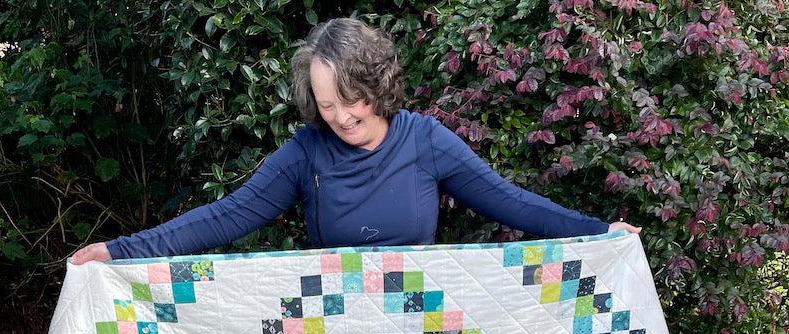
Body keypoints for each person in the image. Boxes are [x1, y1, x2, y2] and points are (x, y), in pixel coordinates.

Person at [69, 17, 640, 265]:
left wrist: (599, 233)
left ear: (378, 84)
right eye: (326, 103)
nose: (340, 117)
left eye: (351, 99)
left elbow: (512, 202)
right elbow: (226, 216)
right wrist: (120, 251)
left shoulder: (425, 141)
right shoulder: (304, 154)